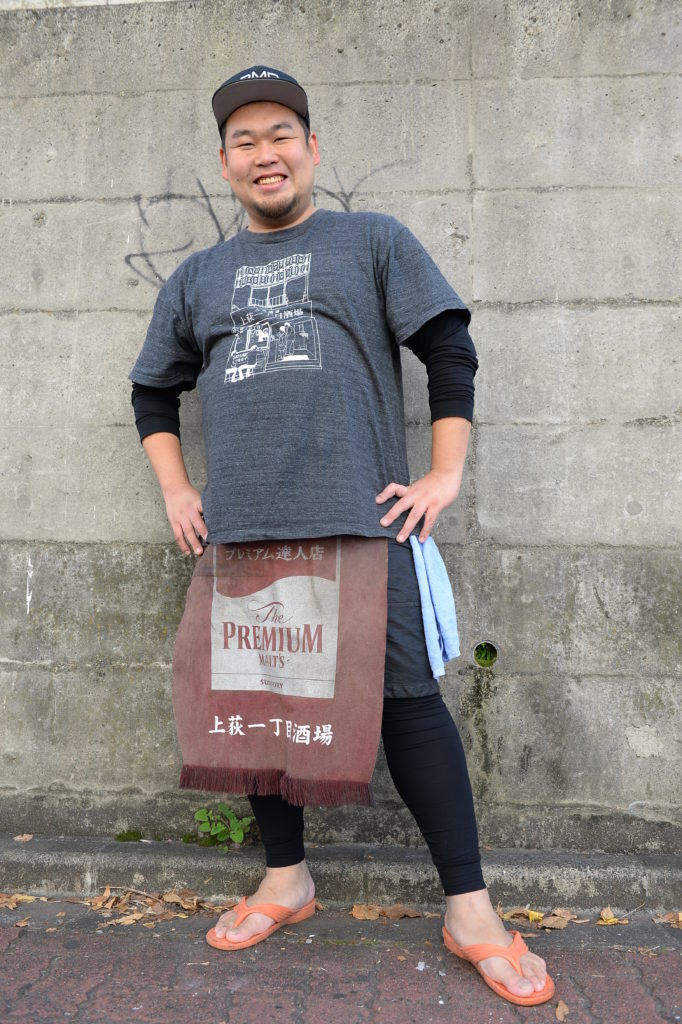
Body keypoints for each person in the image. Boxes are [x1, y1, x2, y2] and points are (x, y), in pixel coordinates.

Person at [129, 66, 554, 1007]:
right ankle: (286, 880)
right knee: (259, 709)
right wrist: (176, 490)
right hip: (243, 531)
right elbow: (153, 390)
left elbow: (448, 348)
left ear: (312, 149)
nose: (264, 153)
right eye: (244, 141)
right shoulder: (197, 277)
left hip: (363, 522)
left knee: (406, 704)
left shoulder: (372, 242)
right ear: (225, 163)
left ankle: (470, 910)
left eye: (281, 134)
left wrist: (445, 474)